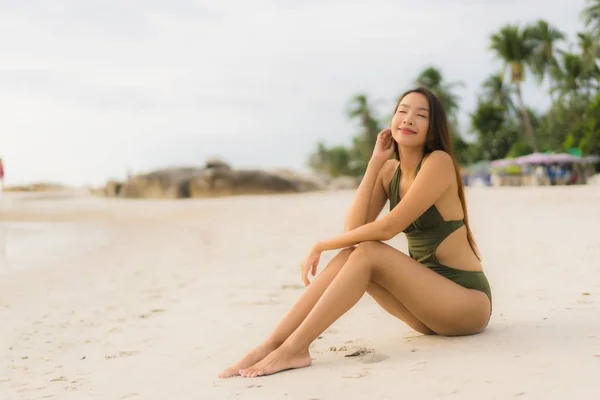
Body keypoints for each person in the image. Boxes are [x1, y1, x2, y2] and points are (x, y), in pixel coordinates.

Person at [219, 87, 493, 379]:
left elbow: (386, 229)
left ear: (433, 128)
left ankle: (296, 347)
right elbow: (354, 230)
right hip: (427, 312)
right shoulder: (389, 172)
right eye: (402, 111)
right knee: (355, 252)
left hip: (466, 304)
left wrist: (321, 244)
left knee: (369, 252)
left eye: (421, 115)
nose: (409, 119)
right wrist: (375, 163)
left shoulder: (438, 162)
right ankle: (273, 345)